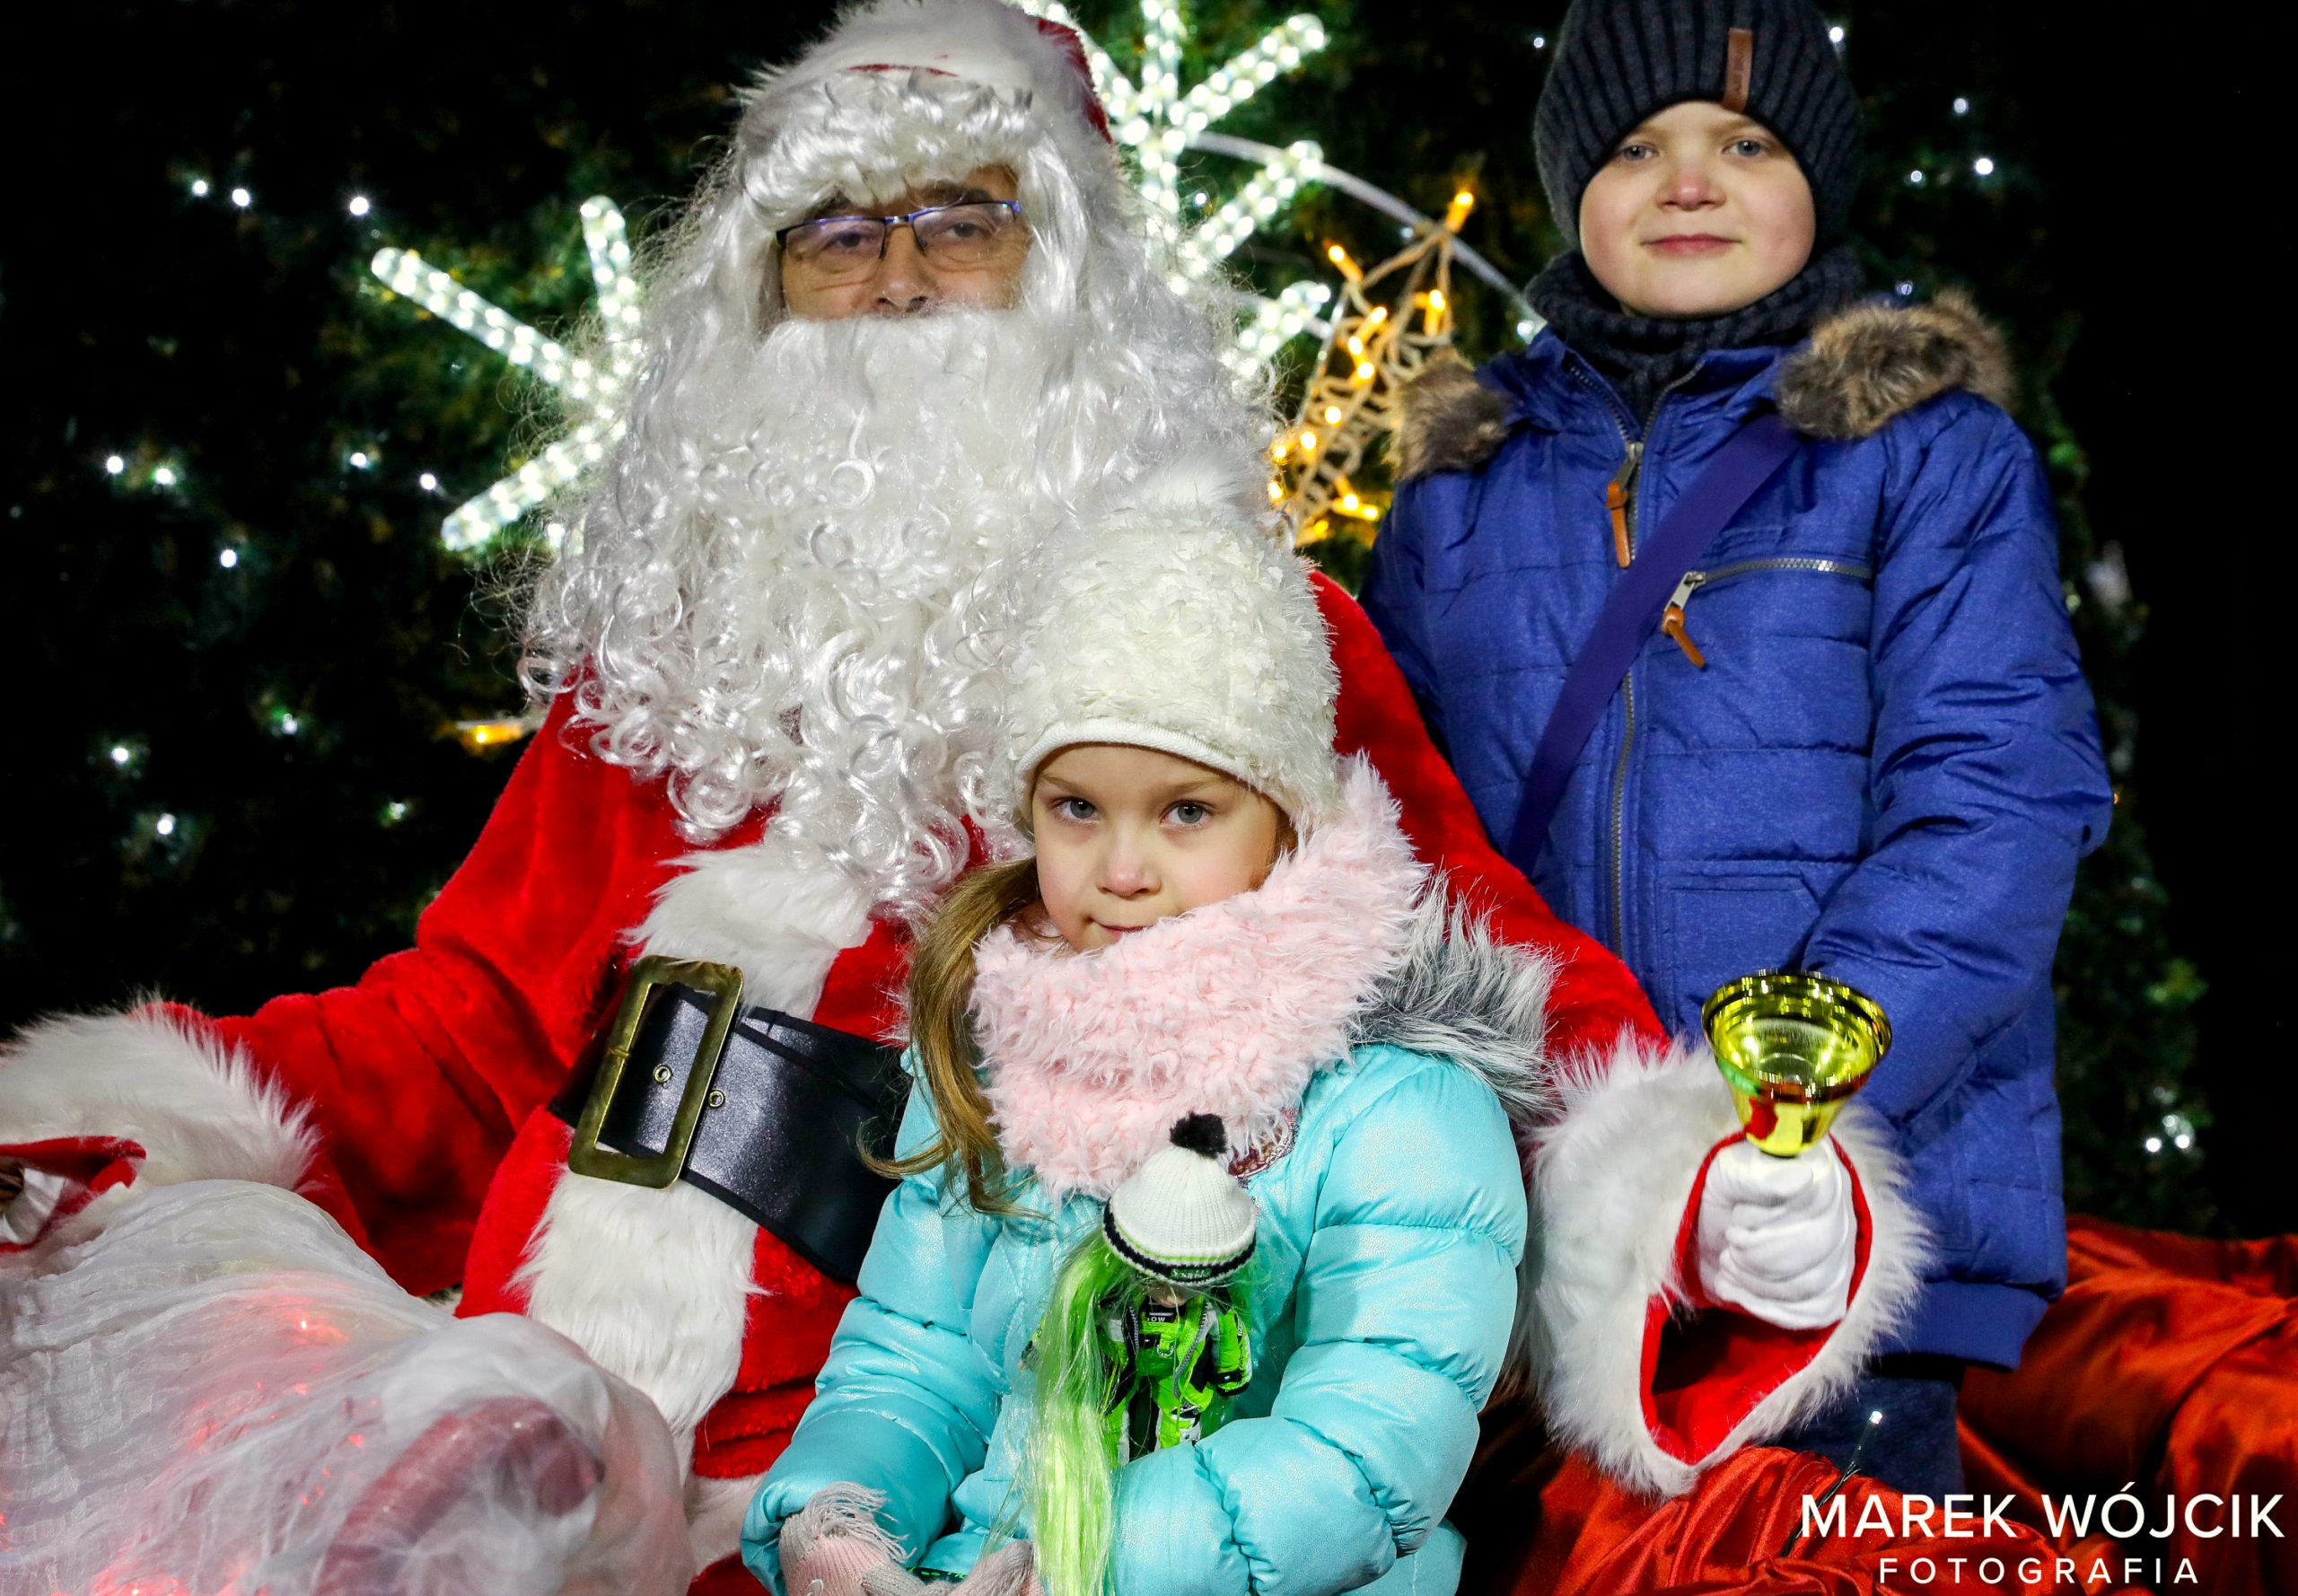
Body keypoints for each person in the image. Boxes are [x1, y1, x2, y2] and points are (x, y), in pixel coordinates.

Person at [0, 0, 1664, 1583]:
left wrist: (1696, 1177)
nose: (896, 282)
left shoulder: (1217, 634)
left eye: (961, 218)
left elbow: (1479, 981)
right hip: (525, 1445)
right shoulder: (662, 652)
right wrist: (122, 1115)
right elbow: (463, 1024)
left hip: (893, 1474)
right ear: (764, 296)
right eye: (838, 235)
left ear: (1074, 273)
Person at [1364, 0, 2113, 1500]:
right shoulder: (1461, 485)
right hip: (1533, 1244)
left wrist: (1766, 1116)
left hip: (1842, 1241)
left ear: (1816, 180)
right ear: (1571, 187)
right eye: (1637, 145)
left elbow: (1997, 799)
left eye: (1743, 141)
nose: (1687, 180)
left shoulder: (1927, 456)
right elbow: (1391, 837)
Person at [740, 516, 1547, 1595]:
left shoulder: (1400, 1108)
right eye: (1077, 808)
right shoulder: (993, 1065)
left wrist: (1085, 1566)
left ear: (1286, 820)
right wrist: (842, 1512)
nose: (1123, 868)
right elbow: (914, 1358)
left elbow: (1364, 1451)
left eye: (1185, 812)